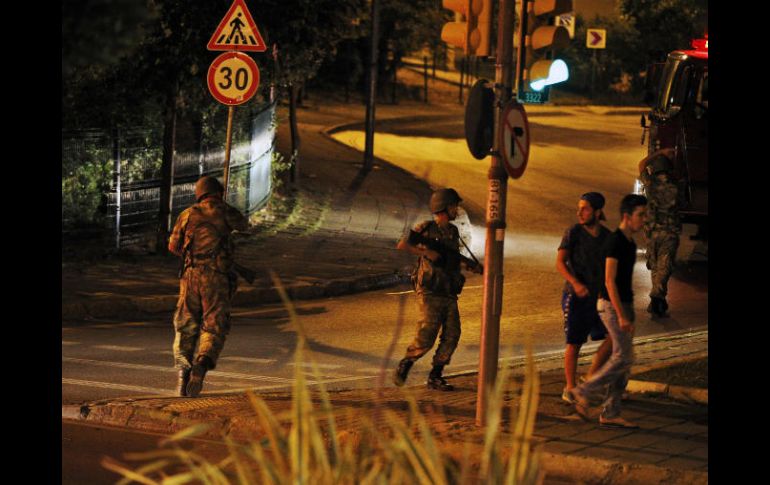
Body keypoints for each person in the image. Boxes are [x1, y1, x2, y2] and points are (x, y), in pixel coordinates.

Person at [568, 194, 648, 429]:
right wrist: (622, 315)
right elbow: (609, 281)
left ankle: (611, 412)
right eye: (640, 215)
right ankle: (583, 390)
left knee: (624, 365)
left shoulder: (630, 242)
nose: (644, 220)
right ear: (627, 216)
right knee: (624, 356)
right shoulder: (615, 242)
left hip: (624, 305)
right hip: (611, 306)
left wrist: (629, 311)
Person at [392, 188, 483, 391]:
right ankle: (406, 362)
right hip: (430, 290)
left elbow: (453, 257)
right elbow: (403, 244)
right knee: (427, 334)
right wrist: (427, 252)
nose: (456, 209)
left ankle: (436, 375)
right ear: (443, 207)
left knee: (452, 334)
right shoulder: (425, 227)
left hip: (448, 290)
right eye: (453, 206)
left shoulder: (452, 231)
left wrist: (470, 265)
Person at [168, 176, 249, 397]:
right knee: (214, 325)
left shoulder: (187, 214)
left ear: (199, 193)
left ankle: (183, 375)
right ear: (219, 192)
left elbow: (173, 246)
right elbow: (245, 226)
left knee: (185, 325)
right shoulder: (226, 211)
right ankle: (201, 364)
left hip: (190, 276)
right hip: (217, 278)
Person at [556, 192, 613, 404]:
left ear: (597, 212)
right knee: (574, 342)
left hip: (598, 298)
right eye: (579, 207)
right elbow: (560, 262)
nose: (579, 212)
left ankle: (590, 380)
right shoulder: (573, 233)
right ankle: (570, 387)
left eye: (585, 208)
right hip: (575, 296)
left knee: (614, 337)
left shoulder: (607, 237)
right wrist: (576, 283)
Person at [638, 147, 682, 317]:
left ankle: (657, 299)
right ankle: (658, 299)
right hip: (669, 232)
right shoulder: (677, 184)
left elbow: (641, 164)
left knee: (656, 267)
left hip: (653, 232)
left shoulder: (650, 183)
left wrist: (659, 152)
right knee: (664, 266)